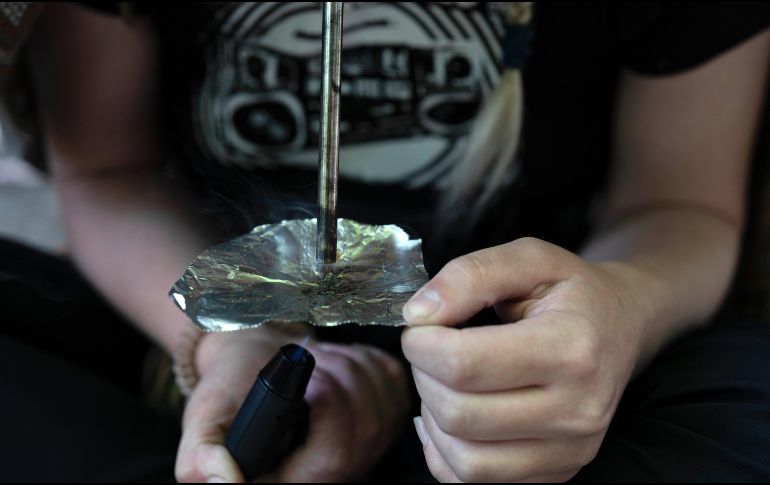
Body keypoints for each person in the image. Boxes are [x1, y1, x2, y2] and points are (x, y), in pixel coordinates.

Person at [14, 1, 770, 482]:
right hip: (180, 312)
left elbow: (681, 204)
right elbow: (108, 169)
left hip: (553, 371)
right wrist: (228, 343)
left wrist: (621, 313)